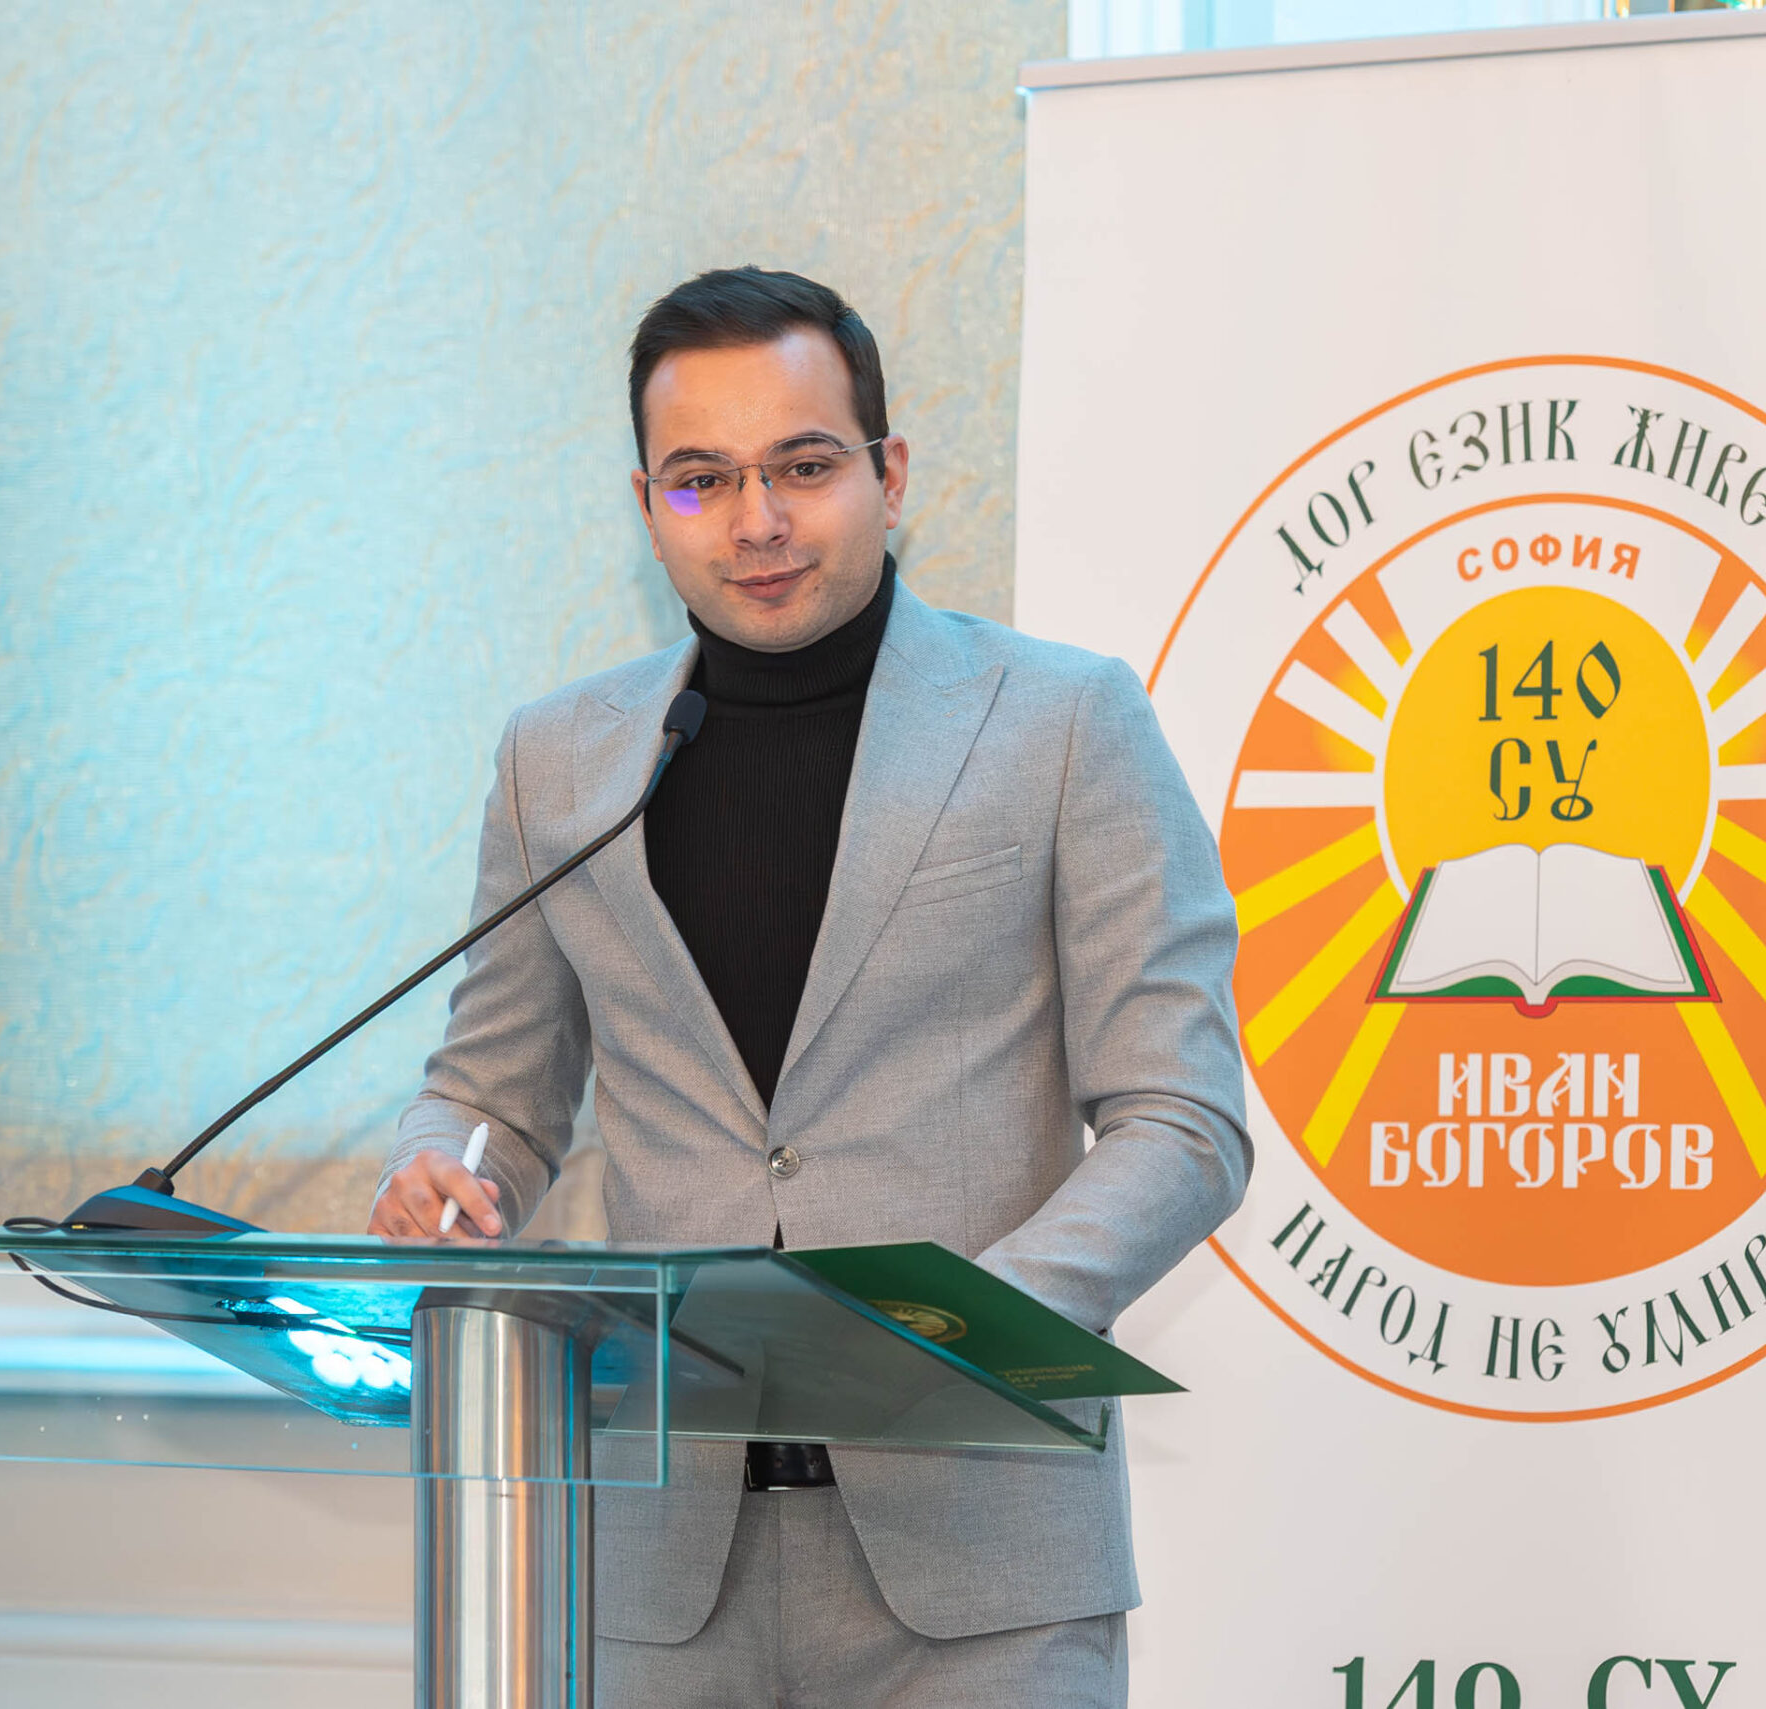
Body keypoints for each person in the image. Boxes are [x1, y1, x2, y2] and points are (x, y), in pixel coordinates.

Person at [369, 266, 1249, 1707]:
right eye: (703, 480)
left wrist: (968, 1326)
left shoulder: (1065, 721)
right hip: (655, 1570)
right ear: (649, 503)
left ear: (888, 475)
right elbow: (490, 1096)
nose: (758, 521)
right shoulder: (560, 760)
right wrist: (439, 1168)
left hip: (985, 1565)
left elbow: (1184, 1120)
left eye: (803, 466)